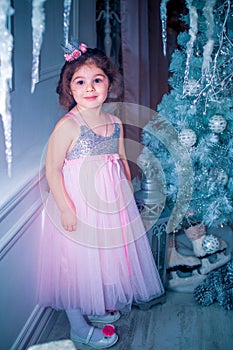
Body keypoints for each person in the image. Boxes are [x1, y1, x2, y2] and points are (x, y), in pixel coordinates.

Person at [37, 42, 165, 349]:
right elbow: (53, 170)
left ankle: (95, 306)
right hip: (79, 205)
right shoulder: (68, 126)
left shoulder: (115, 123)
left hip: (109, 203)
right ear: (69, 88)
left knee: (103, 257)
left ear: (109, 83)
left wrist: (126, 190)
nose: (90, 87)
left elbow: (120, 160)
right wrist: (66, 209)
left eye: (97, 79)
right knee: (76, 263)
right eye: (80, 81)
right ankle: (78, 326)